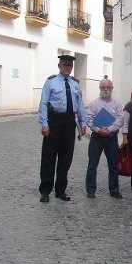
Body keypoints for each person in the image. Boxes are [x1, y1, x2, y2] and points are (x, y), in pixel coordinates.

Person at [38, 55, 87, 203]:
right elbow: (43, 104)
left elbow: (80, 104)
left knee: (66, 158)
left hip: (69, 123)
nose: (67, 68)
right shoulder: (51, 82)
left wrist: (83, 122)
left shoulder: (75, 84)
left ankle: (61, 190)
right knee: (49, 157)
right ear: (59, 66)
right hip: (54, 122)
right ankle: (45, 190)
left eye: (70, 66)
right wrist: (44, 124)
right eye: (65, 65)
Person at [85, 78, 124, 199]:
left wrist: (109, 129)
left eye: (108, 87)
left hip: (111, 138)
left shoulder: (117, 104)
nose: (106, 89)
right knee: (92, 164)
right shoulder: (93, 104)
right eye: (103, 87)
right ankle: (91, 190)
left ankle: (114, 190)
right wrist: (98, 130)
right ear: (100, 88)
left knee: (113, 165)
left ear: (112, 89)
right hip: (97, 137)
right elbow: (89, 119)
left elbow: (120, 119)